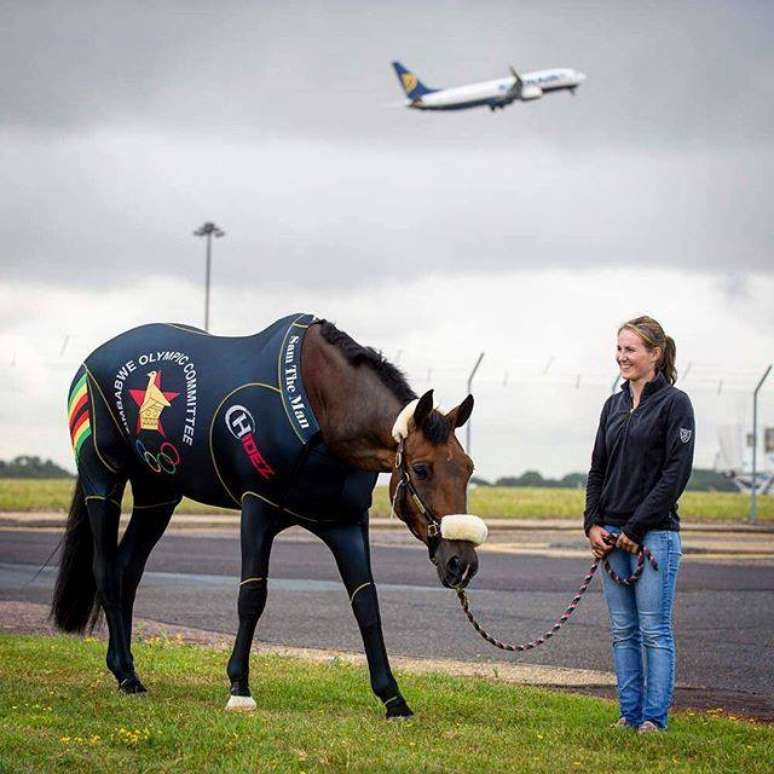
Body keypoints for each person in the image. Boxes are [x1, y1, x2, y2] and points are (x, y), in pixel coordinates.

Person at [584, 315, 694, 733]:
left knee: (654, 630)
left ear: (655, 354)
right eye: (619, 349)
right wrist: (592, 524)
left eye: (630, 350)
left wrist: (635, 529)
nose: (622, 357)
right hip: (611, 535)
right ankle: (628, 715)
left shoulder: (675, 404)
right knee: (622, 631)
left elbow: (675, 475)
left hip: (654, 536)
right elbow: (597, 470)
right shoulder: (612, 405)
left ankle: (654, 719)